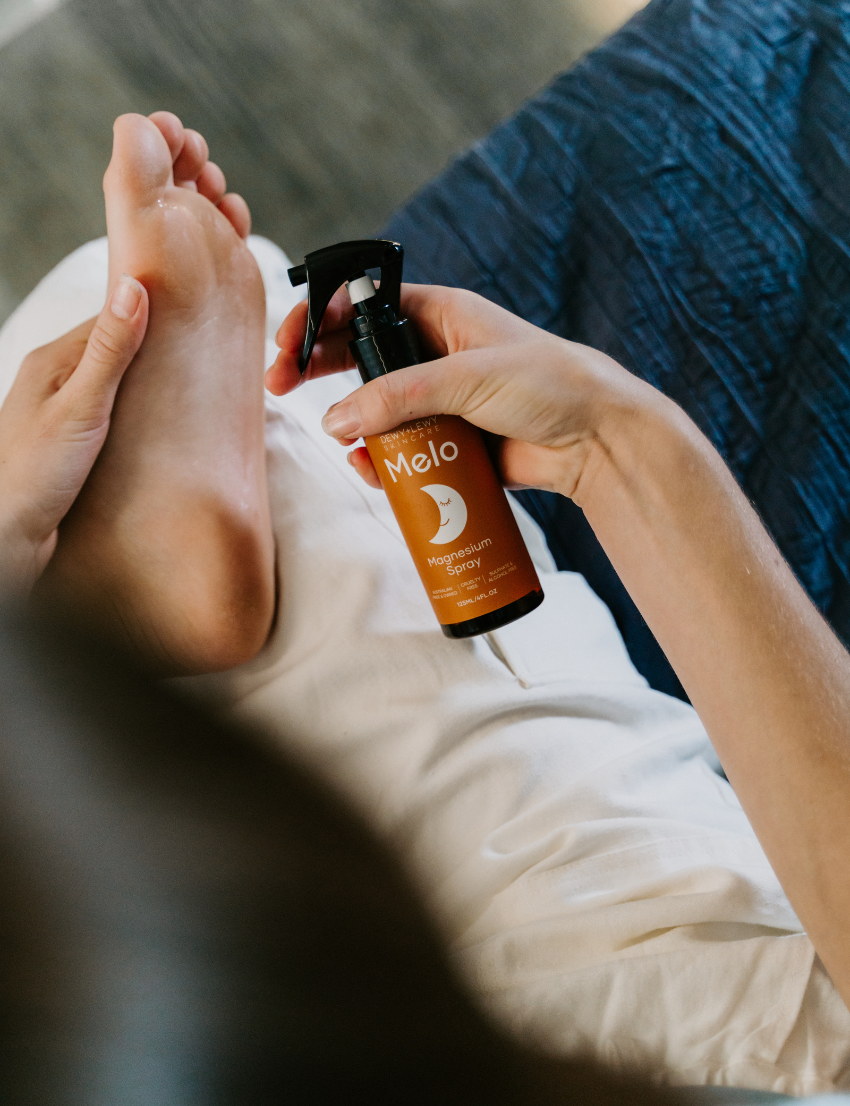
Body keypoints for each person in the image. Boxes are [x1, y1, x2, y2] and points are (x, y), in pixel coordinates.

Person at [3, 111, 850, 1097]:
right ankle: (128, 590)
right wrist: (609, 442)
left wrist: (618, 441)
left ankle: (117, 593)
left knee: (112, 342)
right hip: (615, 966)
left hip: (578, 986)